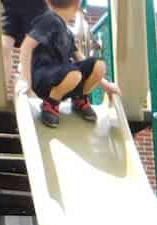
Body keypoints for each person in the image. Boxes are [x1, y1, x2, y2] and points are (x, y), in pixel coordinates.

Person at [15, 0, 111, 129]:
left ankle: (79, 99)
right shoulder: (48, 19)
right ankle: (51, 103)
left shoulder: (67, 32)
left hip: (65, 77)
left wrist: (106, 85)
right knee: (74, 74)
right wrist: (25, 79)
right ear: (76, 5)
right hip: (44, 78)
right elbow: (26, 46)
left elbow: (81, 58)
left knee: (99, 65)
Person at [0, 0, 47, 95]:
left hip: (35, 6)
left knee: (32, 48)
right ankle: (1, 91)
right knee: (4, 47)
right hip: (10, 6)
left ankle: (29, 90)